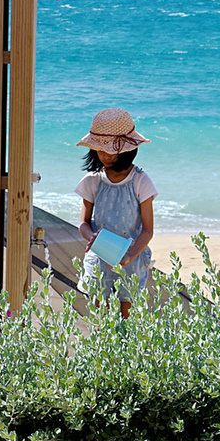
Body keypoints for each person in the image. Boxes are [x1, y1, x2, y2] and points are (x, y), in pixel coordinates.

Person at [75, 107, 156, 318]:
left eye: (108, 149)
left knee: (126, 316)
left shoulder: (140, 181)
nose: (103, 155)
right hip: (98, 257)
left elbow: (147, 230)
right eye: (98, 149)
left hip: (132, 259)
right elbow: (83, 223)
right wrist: (92, 237)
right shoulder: (93, 180)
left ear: (127, 150)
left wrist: (129, 256)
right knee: (101, 317)